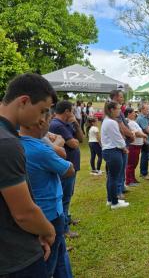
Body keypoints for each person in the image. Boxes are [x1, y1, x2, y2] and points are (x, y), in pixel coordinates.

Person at [0, 73, 57, 277]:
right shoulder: (6, 143)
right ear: (24, 101)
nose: (42, 119)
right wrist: (48, 231)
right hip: (16, 257)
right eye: (42, 111)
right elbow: (24, 213)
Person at [20, 111, 75, 277]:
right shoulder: (40, 149)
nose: (50, 124)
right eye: (48, 119)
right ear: (40, 123)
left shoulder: (16, 142)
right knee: (50, 261)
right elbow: (68, 169)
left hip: (38, 211)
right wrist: (54, 143)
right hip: (49, 213)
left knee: (60, 255)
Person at [49, 100, 83, 239]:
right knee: (64, 197)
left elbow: (80, 138)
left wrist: (75, 123)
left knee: (68, 195)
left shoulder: (67, 124)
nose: (74, 112)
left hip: (71, 165)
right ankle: (64, 229)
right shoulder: (57, 125)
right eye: (73, 110)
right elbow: (74, 144)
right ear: (67, 112)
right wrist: (74, 138)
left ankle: (67, 219)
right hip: (65, 166)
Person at [101, 101, 130, 209]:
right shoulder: (111, 122)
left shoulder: (107, 121)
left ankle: (110, 199)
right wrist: (124, 148)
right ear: (112, 109)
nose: (119, 111)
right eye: (118, 108)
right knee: (114, 177)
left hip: (109, 151)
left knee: (111, 177)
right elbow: (118, 138)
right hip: (113, 151)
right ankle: (115, 202)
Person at [110, 90, 135, 199]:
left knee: (123, 165)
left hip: (123, 140)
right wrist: (131, 135)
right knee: (119, 167)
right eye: (121, 97)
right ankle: (118, 191)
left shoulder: (117, 109)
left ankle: (121, 187)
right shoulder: (114, 109)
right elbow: (121, 126)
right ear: (115, 97)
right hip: (120, 142)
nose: (123, 99)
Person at [125, 108, 147, 186]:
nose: (135, 114)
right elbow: (137, 133)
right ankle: (128, 181)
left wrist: (143, 136)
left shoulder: (133, 122)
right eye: (133, 112)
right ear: (128, 114)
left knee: (134, 163)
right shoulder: (130, 123)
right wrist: (144, 135)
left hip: (137, 146)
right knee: (131, 164)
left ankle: (133, 179)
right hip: (133, 146)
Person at [136, 103, 149, 180]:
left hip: (146, 139)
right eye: (147, 109)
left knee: (145, 155)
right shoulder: (141, 118)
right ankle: (144, 173)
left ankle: (143, 172)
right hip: (145, 140)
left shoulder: (144, 117)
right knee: (145, 156)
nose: (148, 111)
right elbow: (148, 130)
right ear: (142, 109)